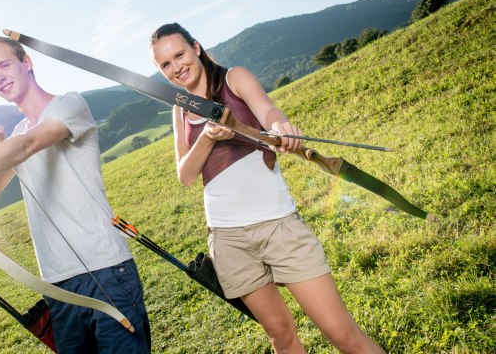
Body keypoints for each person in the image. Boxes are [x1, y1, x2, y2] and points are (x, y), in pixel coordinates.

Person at [0, 36, 150, 353]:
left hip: (106, 271)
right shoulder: (16, 135)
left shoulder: (68, 105)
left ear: (26, 63)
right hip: (57, 285)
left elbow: (29, 144)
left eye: (3, 65)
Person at [149, 23, 383, 354]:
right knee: (281, 337)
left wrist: (279, 127)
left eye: (179, 55)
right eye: (165, 65)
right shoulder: (180, 108)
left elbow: (267, 111)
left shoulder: (234, 79)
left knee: (341, 333)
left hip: (277, 225)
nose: (177, 68)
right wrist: (207, 136)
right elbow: (185, 175)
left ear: (196, 48)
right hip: (228, 239)